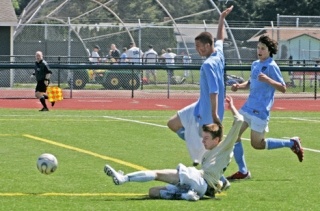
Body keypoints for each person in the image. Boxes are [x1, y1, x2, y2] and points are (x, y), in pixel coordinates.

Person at [104, 95, 244, 201]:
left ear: (217, 139)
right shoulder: (212, 154)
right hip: (200, 185)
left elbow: (239, 120)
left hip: (198, 181)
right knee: (153, 192)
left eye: (206, 138)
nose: (203, 141)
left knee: (157, 174)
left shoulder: (225, 146)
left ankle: (124, 179)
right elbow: (216, 174)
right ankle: (184, 194)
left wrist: (231, 106)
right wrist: (220, 184)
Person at [226, 35, 304, 181]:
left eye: (263, 48)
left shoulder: (272, 66)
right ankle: (243, 171)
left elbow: (283, 88)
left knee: (258, 144)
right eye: (258, 48)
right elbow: (250, 83)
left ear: (269, 51)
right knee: (234, 135)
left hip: (260, 111)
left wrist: (268, 79)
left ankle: (291, 143)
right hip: (248, 107)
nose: (259, 51)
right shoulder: (255, 64)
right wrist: (238, 86)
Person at [167, 6, 233, 166]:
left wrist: (215, 115)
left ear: (208, 45)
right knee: (173, 123)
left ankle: (219, 167)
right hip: (199, 105)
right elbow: (220, 39)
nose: (197, 49)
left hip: (207, 110)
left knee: (206, 146)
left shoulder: (208, 65)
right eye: (196, 46)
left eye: (199, 46)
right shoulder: (218, 52)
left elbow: (214, 92)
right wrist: (221, 19)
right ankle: (207, 155)